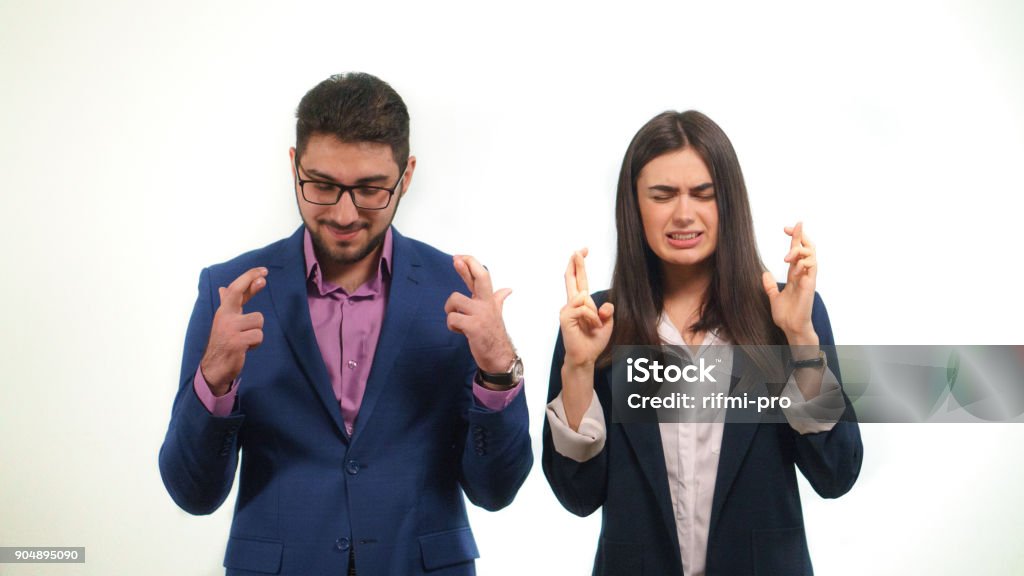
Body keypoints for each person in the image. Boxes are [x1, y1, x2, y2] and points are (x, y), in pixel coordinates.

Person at [159, 72, 532, 576]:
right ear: (294, 167)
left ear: (407, 175)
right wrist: (213, 381)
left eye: (371, 189)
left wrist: (498, 373)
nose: (343, 212)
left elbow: (495, 490)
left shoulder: (459, 291)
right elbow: (192, 493)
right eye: (323, 186)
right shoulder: (229, 293)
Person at [543, 110, 862, 575]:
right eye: (662, 195)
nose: (684, 214)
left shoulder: (789, 315)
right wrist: (578, 370)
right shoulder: (598, 322)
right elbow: (578, 496)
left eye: (703, 194)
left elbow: (836, 474)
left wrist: (798, 339)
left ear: (728, 204)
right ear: (634, 206)